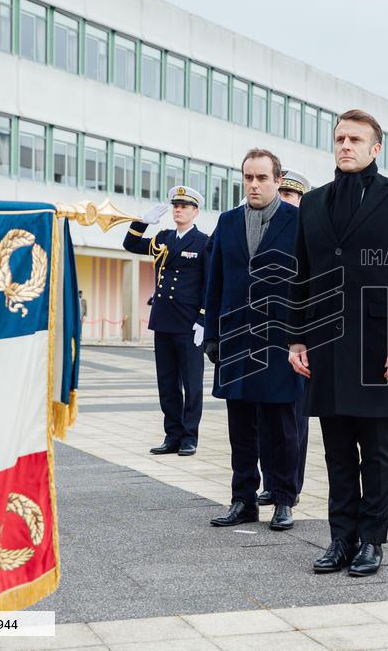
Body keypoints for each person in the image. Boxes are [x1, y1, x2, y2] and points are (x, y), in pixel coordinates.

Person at [287, 109, 388, 577]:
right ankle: (340, 538)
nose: (345, 145)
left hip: (376, 341)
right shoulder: (312, 202)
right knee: (337, 448)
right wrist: (295, 337)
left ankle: (371, 541)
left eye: (355, 139)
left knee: (376, 449)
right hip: (324, 338)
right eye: (340, 138)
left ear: (375, 148)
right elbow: (300, 274)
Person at [205, 150, 303, 532]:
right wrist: (212, 334)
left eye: (262, 178)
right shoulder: (227, 221)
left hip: (280, 338)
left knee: (282, 426)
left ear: (277, 180)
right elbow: (216, 279)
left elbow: (308, 282)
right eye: (248, 178)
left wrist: (304, 336)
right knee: (241, 425)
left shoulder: (297, 221)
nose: (254, 185)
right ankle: (243, 500)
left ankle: (283, 499)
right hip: (236, 337)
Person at [122, 186, 209, 457]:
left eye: (184, 206)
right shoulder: (163, 238)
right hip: (163, 320)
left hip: (189, 323)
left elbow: (209, 283)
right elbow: (130, 245)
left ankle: (189, 437)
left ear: (195, 212)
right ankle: (172, 435)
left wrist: (203, 318)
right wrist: (142, 223)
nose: (178, 210)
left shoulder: (203, 242)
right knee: (168, 383)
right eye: (176, 206)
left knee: (192, 384)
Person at [256, 167, 311, 509]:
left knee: (293, 418)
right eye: (283, 194)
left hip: (297, 335)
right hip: (264, 334)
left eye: (292, 195)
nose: (286, 200)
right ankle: (270, 482)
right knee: (265, 414)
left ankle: (290, 485)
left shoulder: (308, 231)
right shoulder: (262, 227)